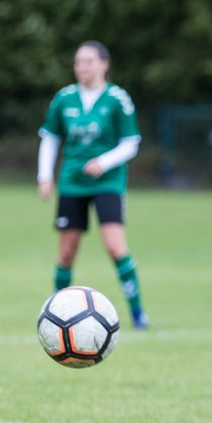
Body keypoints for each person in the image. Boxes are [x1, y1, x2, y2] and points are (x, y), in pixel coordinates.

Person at [37, 41, 149, 329]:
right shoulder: (64, 98)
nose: (82, 67)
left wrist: (104, 162)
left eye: (88, 61)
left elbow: (130, 144)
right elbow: (50, 138)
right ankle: (55, 316)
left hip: (108, 183)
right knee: (66, 252)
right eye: (78, 62)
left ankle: (138, 312)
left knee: (115, 247)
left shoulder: (117, 99)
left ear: (104, 64)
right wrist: (45, 176)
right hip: (72, 183)